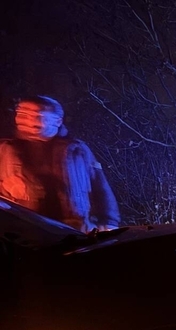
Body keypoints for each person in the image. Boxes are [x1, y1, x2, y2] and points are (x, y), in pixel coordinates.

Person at [0, 96, 120, 231]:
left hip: (74, 231)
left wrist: (109, 220)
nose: (28, 121)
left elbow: (100, 186)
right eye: (22, 115)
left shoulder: (76, 150)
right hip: (25, 233)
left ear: (57, 121)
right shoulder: (5, 150)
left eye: (38, 116)